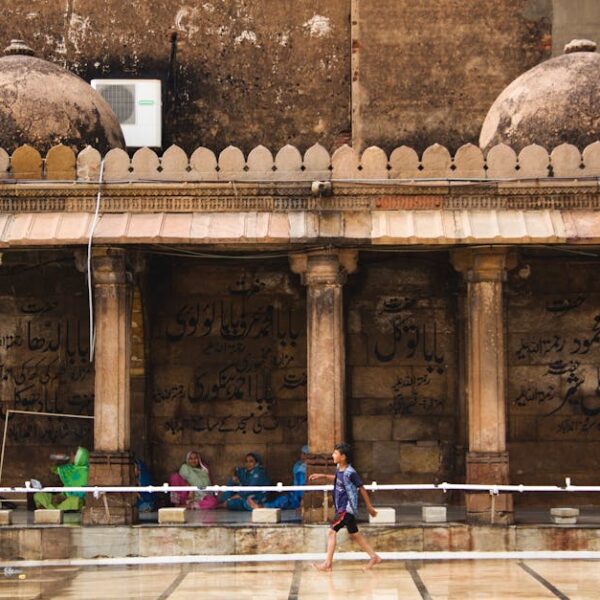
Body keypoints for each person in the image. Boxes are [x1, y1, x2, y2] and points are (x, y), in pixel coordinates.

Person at [309, 442, 381, 571]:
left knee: (331, 532)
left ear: (343, 457)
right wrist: (323, 476)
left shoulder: (350, 472)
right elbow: (338, 479)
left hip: (346, 509)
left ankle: (327, 564)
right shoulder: (339, 469)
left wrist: (369, 507)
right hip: (343, 508)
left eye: (335, 453)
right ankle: (374, 557)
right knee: (355, 534)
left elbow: (361, 488)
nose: (333, 455)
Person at [247, 445, 308, 510]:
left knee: (283, 501)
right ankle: (262, 506)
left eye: (305, 454)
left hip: (303, 496)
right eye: (302, 453)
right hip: (294, 494)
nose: (303, 456)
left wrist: (302, 499)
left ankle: (262, 507)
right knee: (282, 499)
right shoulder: (298, 465)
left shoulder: (307, 468)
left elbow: (303, 485)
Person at [33, 446, 89, 511]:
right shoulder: (68, 468)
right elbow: (53, 468)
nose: (71, 456)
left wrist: (64, 497)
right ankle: (54, 509)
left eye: (74, 455)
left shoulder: (87, 472)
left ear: (80, 457)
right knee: (38, 495)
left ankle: (51, 509)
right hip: (62, 497)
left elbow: (83, 493)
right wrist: (59, 459)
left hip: (72, 499)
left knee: (76, 501)